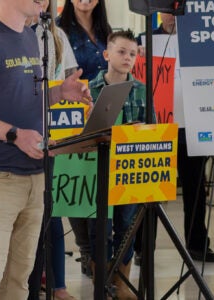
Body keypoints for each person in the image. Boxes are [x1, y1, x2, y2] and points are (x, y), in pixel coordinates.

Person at [0, 0, 91, 297]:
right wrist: (14, 135)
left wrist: (60, 92)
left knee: (18, 281)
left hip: (33, 176)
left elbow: (26, 98)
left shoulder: (31, 36)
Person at [133, 12, 214, 265]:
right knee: (150, 187)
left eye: (176, 10)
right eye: (166, 11)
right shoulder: (145, 41)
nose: (172, 16)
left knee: (195, 188)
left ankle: (197, 245)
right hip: (156, 126)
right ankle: (142, 247)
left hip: (191, 125)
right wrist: (136, 56)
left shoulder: (199, 39)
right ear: (158, 12)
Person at [86, 29, 147, 300]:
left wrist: (141, 130)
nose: (127, 58)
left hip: (129, 168)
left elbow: (152, 129)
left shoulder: (143, 91)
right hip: (94, 168)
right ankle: (101, 281)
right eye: (121, 52)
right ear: (107, 54)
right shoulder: (89, 90)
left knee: (127, 224)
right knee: (99, 226)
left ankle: (121, 281)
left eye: (132, 54)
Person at [25, 0, 78, 299]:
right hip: (16, 134)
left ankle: (58, 284)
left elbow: (67, 76)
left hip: (49, 132)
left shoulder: (55, 35)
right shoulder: (8, 32)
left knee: (51, 213)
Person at [57, 0, 111, 277]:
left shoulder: (106, 31)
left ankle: (101, 252)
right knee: (77, 181)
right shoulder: (59, 30)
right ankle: (86, 250)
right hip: (72, 117)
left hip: (104, 113)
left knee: (98, 181)